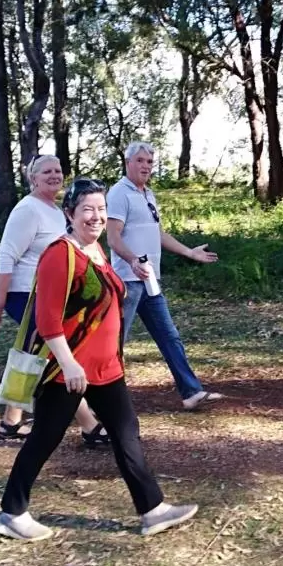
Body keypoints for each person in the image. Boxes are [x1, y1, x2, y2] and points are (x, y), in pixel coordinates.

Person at [0, 178, 198, 541]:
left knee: (126, 433)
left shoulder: (96, 250)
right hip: (68, 372)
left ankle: (152, 510)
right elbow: (48, 319)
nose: (96, 216)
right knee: (45, 438)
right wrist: (70, 363)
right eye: (87, 209)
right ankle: (12, 512)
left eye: (101, 209)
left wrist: (133, 272)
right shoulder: (60, 253)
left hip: (106, 369)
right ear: (69, 213)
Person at [0, 155, 107, 447]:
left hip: (52, 294)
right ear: (33, 178)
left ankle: (11, 421)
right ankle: (89, 425)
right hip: (25, 294)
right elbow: (6, 256)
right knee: (57, 355)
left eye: (58, 171)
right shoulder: (27, 210)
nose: (54, 175)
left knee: (35, 355)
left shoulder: (56, 210)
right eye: (46, 171)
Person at [106, 141, 223, 411]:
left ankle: (191, 392)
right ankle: (92, 399)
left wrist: (189, 253)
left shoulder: (148, 194)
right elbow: (112, 238)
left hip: (150, 281)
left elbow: (157, 234)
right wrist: (133, 260)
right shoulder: (118, 194)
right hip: (127, 281)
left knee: (169, 336)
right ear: (128, 162)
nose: (146, 166)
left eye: (149, 162)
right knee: (114, 342)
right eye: (140, 161)